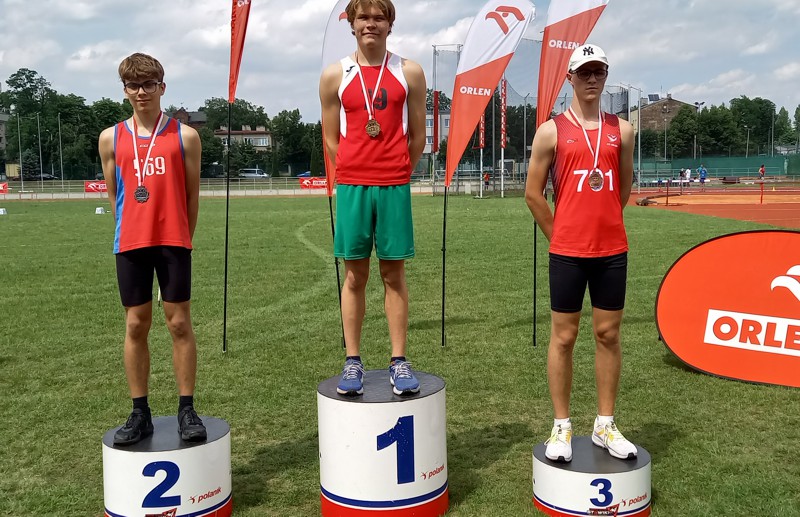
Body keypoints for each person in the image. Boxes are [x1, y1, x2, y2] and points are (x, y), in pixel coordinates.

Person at [524, 44, 637, 462]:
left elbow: (622, 188)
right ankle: (561, 427)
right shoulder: (551, 130)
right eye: (584, 72)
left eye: (599, 72)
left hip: (611, 250)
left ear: (605, 76)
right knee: (565, 337)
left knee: (608, 335)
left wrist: (602, 220)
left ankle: (604, 425)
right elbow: (533, 195)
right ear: (570, 77)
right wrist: (561, 236)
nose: (592, 80)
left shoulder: (622, 130)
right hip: (568, 253)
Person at [319, 0, 427, 396]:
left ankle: (399, 361)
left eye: (379, 17)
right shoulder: (335, 75)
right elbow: (331, 139)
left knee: (394, 274)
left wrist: (398, 167)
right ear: (350, 23)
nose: (371, 24)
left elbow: (417, 135)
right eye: (363, 17)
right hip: (352, 186)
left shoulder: (409, 71)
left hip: (393, 185)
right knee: (354, 275)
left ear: (390, 24)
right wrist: (351, 167)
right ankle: (352, 361)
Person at [98, 53, 206, 445]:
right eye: (133, 85)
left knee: (179, 323)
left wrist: (182, 236)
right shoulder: (111, 137)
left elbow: (192, 195)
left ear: (163, 87)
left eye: (148, 84)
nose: (141, 92)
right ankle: (139, 411)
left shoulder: (186, 136)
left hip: (174, 241)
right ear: (125, 90)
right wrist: (131, 229)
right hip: (131, 243)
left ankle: (186, 408)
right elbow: (116, 195)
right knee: (135, 325)